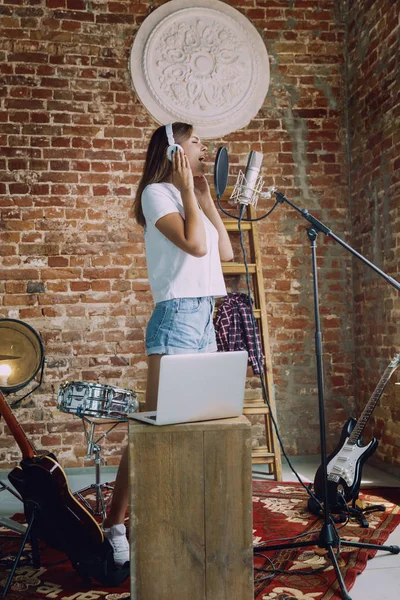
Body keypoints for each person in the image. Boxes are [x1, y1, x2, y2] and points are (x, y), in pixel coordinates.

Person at [102, 122, 233, 566]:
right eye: (196, 141)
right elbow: (196, 247)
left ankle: (182, 517)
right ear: (175, 148)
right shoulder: (157, 193)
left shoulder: (190, 198)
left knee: (200, 422)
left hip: (204, 318)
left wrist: (206, 197)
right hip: (176, 315)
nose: (204, 148)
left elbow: (225, 253)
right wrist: (185, 190)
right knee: (154, 428)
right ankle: (115, 523)